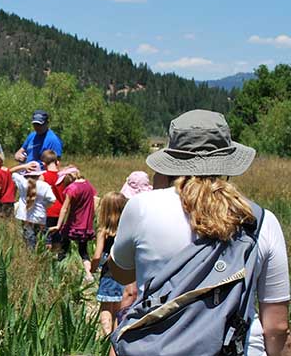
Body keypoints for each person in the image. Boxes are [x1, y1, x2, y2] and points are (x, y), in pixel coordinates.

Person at [109, 110, 289, 356]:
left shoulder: (141, 207)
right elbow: (277, 327)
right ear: (227, 161)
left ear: (171, 161)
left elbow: (120, 273)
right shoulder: (260, 221)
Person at [48, 165, 98, 282]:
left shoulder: (72, 188)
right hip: (86, 226)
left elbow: (64, 209)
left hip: (73, 225)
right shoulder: (88, 186)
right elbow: (95, 201)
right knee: (83, 251)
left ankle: (56, 274)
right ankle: (89, 274)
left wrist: (58, 225)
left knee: (63, 249)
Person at [90, 192, 128, 337]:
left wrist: (92, 268)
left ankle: (106, 336)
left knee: (106, 306)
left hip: (108, 272)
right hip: (124, 271)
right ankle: (115, 335)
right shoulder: (126, 229)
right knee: (118, 307)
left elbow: (97, 255)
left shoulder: (103, 231)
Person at [13, 167, 56, 248]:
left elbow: (11, 172)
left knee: (29, 237)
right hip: (40, 215)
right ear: (39, 175)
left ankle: (30, 254)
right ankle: (44, 253)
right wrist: (45, 206)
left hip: (24, 215)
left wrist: (25, 165)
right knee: (41, 236)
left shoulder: (22, 182)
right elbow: (52, 199)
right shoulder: (45, 185)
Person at [41, 149, 64, 252]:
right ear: (57, 162)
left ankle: (46, 257)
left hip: (48, 210)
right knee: (57, 237)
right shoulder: (63, 176)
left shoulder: (43, 176)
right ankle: (56, 258)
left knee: (47, 237)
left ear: (43, 163)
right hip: (60, 211)